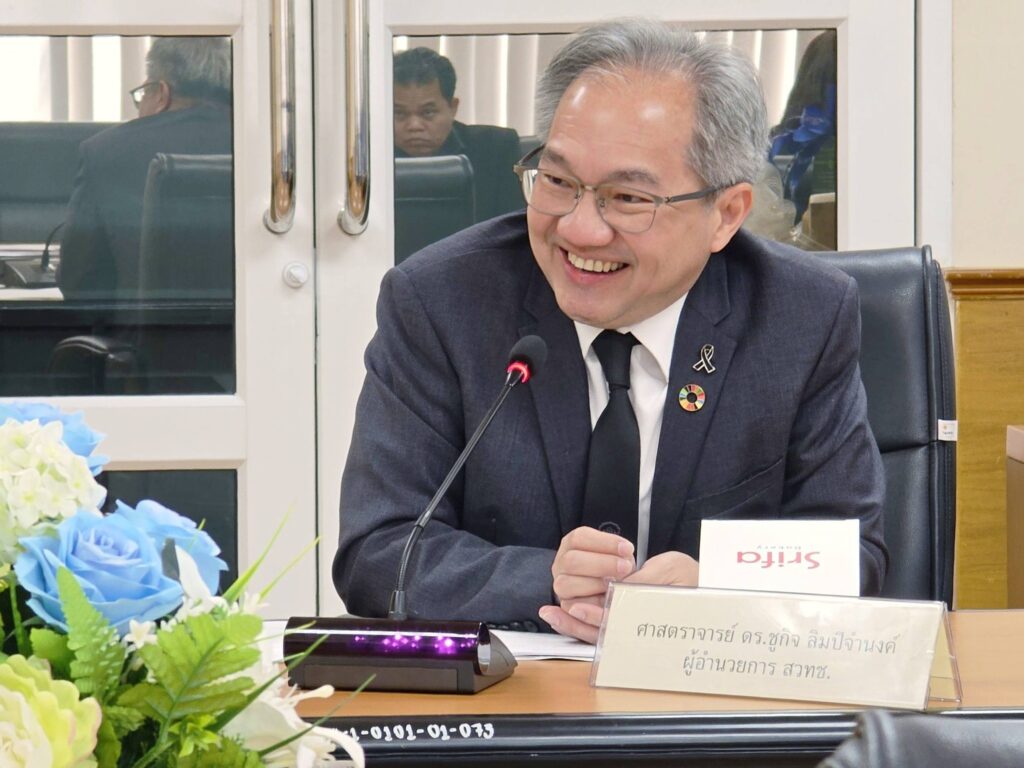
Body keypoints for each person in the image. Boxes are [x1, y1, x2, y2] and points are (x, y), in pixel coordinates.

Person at [336, 19, 887, 643]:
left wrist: (719, 584)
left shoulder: (801, 316)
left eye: (627, 198)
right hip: (515, 691)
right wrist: (549, 580)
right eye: (557, 181)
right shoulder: (444, 301)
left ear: (725, 215)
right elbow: (379, 551)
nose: (579, 229)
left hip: (716, 684)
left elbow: (851, 554)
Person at [58, 37, 232, 300]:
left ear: (161, 93)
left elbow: (78, 283)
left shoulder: (105, 151)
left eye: (142, 95)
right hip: (255, 327)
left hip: (144, 328)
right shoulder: (265, 147)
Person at [393, 47, 523, 222]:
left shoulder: (496, 149)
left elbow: (514, 226)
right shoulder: (370, 160)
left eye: (428, 113)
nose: (414, 126)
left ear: (452, 108)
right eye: (400, 113)